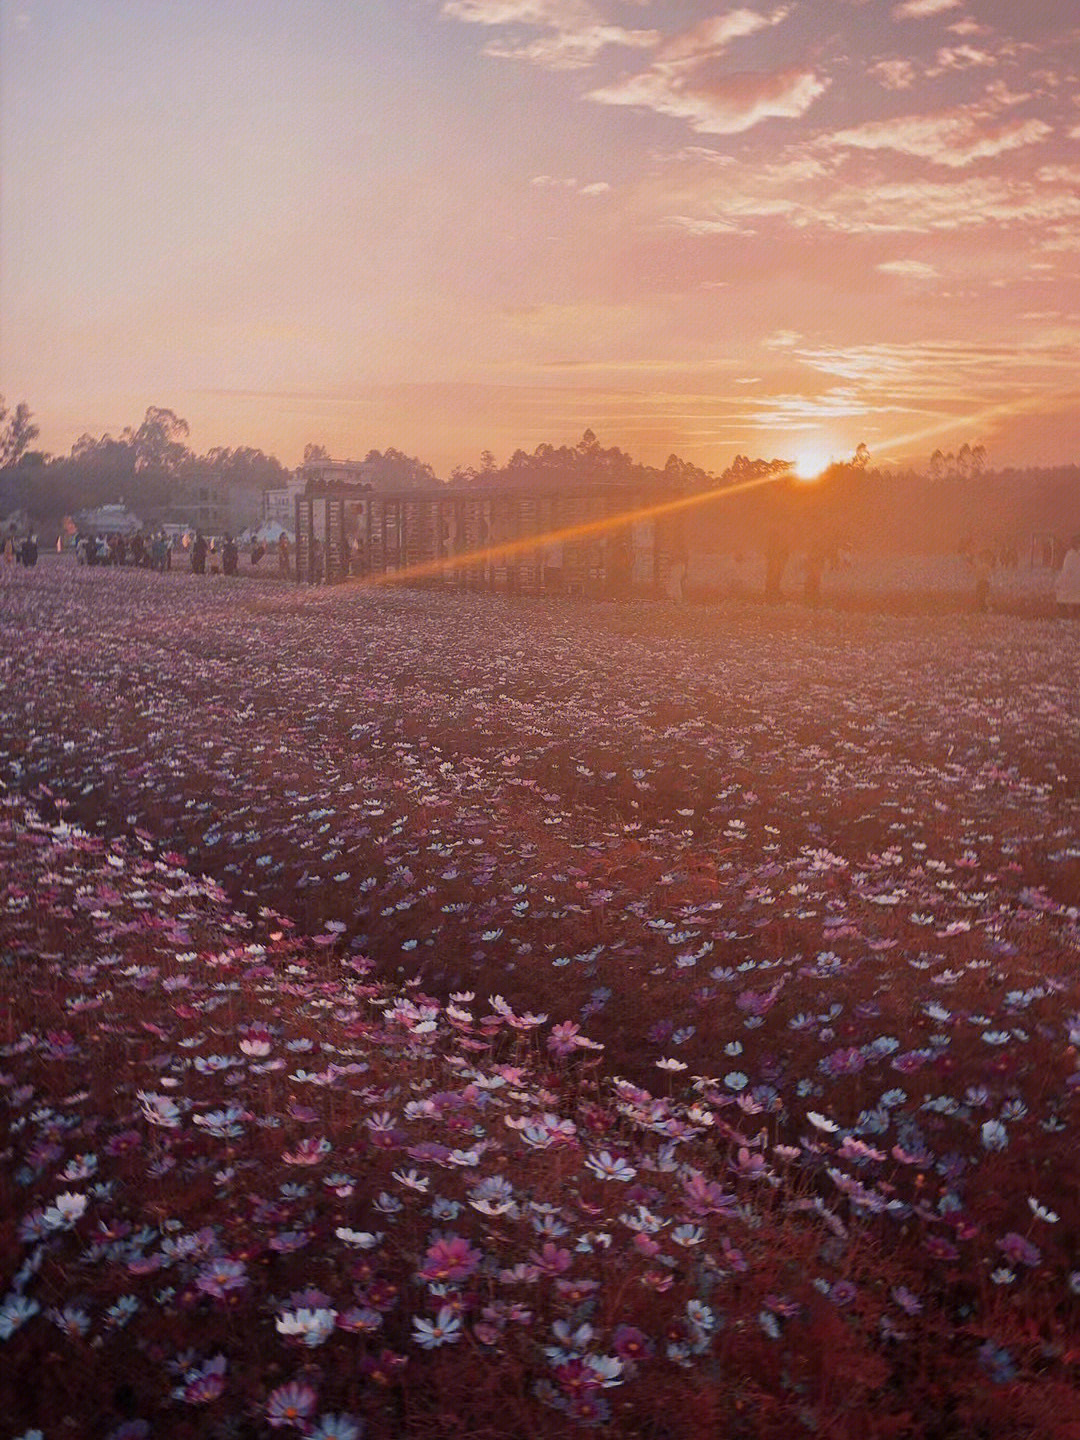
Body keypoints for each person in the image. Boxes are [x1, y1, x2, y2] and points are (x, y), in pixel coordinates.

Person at [1055, 535, 1080, 618]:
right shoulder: (1071, 555)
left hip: (1072, 584)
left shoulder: (1070, 556)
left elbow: (1066, 572)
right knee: (1075, 601)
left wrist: (1058, 583)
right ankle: (1075, 616)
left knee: (1061, 598)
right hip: (1076, 585)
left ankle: (1065, 616)